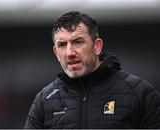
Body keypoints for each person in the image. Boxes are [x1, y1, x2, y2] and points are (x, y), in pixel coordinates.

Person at [24, 11, 160, 129]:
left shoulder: (141, 94)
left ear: (97, 46)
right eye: (62, 45)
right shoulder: (44, 100)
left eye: (78, 42)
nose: (69, 52)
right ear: (56, 53)